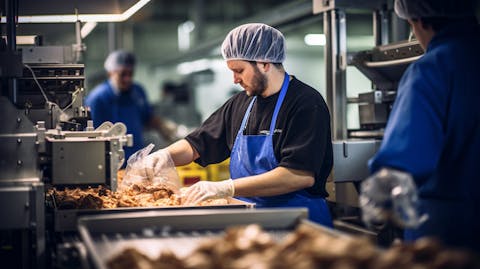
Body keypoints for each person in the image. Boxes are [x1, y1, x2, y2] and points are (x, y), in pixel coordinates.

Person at [136, 23, 333, 226]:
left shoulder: (306, 103)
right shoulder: (242, 103)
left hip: (299, 223)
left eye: (239, 70)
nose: (235, 79)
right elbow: (198, 144)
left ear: (264, 63)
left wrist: (226, 187)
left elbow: (299, 176)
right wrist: (165, 155)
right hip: (249, 221)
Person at [361, 0, 480, 252]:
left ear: (419, 21)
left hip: (448, 237)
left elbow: (400, 167)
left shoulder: (433, 69)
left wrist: (381, 203)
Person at [85, 50, 175, 162]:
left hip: (138, 158)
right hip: (110, 162)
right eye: (122, 74)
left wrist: (163, 127)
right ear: (110, 73)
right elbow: (92, 137)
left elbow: (147, 117)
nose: (127, 79)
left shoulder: (137, 91)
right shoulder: (97, 99)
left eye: (130, 74)